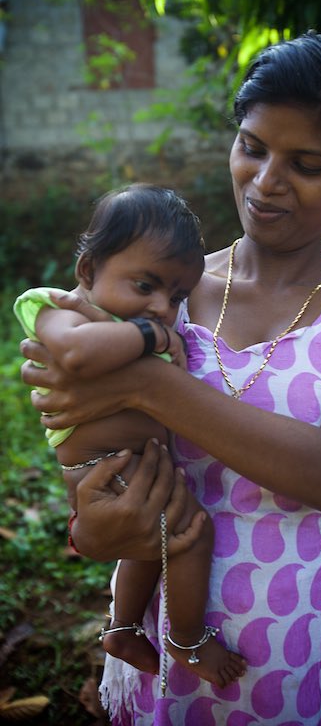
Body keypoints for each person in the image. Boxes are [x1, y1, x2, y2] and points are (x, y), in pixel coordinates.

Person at [20, 32, 321, 725]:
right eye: (252, 147)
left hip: (308, 648)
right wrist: (90, 531)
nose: (267, 181)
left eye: (305, 164)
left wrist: (145, 383)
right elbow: (88, 441)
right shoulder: (162, 291)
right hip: (161, 649)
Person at [14, 183, 246, 690]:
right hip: (102, 470)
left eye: (177, 296)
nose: (163, 306)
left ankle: (120, 628)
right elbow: (76, 354)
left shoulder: (136, 324)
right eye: (146, 286)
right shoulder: (58, 310)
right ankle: (186, 639)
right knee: (190, 535)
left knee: (149, 543)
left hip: (135, 467)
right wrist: (155, 338)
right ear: (88, 271)